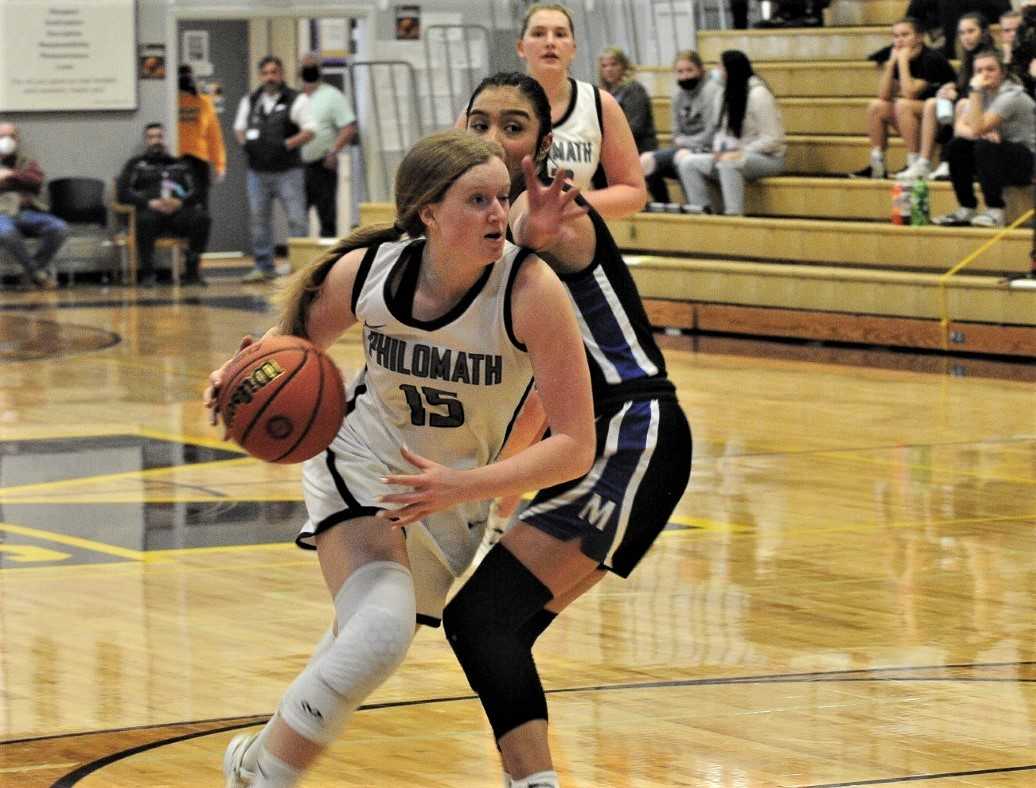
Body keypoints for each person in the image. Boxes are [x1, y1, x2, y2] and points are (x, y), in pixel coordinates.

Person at [214, 128, 596, 787]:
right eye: (477, 200)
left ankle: (255, 759)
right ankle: (265, 779)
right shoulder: (367, 271)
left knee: (359, 640)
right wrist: (230, 378)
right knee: (383, 630)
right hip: (363, 468)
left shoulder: (531, 292)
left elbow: (574, 447)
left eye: (502, 199)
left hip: (450, 497)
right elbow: (286, 348)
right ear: (428, 212)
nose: (498, 215)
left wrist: (464, 486)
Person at [452, 71, 693, 788]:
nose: (493, 140)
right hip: (597, 437)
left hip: (632, 433)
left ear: (543, 144)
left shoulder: (550, 215)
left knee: (484, 621)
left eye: (513, 126)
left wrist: (531, 237)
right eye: (479, 123)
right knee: (495, 628)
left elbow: (530, 235)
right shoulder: (489, 221)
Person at [516, 3, 647, 218]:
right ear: (521, 47)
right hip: (507, 244)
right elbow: (455, 180)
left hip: (574, 242)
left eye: (560, 34)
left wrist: (571, 201)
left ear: (573, 48)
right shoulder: (492, 101)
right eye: (539, 33)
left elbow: (634, 193)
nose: (550, 42)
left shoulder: (600, 104)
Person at [234, 55, 317, 283]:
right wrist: (248, 146)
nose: (270, 77)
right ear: (260, 76)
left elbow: (310, 130)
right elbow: (239, 129)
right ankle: (263, 266)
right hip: (257, 172)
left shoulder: (296, 99)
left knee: (297, 219)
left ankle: (300, 270)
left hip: (288, 170)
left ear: (282, 74)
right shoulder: (250, 100)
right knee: (259, 219)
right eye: (266, 73)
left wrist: (286, 145)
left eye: (274, 72)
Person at [675, 50, 786, 216]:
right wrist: (720, 149)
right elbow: (722, 132)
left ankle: (733, 216)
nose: (716, 71)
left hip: (768, 158)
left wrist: (738, 150)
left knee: (728, 160)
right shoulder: (724, 93)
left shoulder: (758, 94)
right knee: (688, 163)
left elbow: (773, 139)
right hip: (735, 154)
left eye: (720, 66)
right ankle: (704, 213)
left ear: (731, 69)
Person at [933, 48, 1036, 228]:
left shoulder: (1011, 96)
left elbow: (976, 127)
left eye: (990, 69)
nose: (984, 75)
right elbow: (959, 128)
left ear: (1003, 72)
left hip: (1029, 161)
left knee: (984, 145)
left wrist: (974, 92)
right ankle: (967, 207)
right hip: (1000, 156)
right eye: (979, 71)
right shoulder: (982, 95)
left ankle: (995, 211)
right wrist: (977, 131)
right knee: (958, 145)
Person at [850, 17, 956, 179]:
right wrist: (891, 64)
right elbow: (884, 95)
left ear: (919, 37)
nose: (899, 40)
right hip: (919, 120)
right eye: (896, 36)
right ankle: (877, 164)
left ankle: (915, 163)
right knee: (876, 106)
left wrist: (901, 62)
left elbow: (910, 93)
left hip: (943, 121)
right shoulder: (901, 59)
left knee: (903, 104)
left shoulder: (931, 59)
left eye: (905, 35)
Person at [897, 12, 995, 181]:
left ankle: (948, 159)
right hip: (968, 106)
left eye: (971, 31)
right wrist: (952, 87)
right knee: (933, 103)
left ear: (984, 32)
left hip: (987, 111)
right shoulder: (968, 56)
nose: (966, 37)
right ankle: (924, 162)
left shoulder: (988, 57)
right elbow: (966, 86)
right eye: (962, 33)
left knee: (956, 103)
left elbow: (983, 92)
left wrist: (955, 95)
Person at [117, 123, 212, 286]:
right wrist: (149, 202)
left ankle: (192, 271)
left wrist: (180, 202)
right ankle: (148, 274)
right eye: (152, 137)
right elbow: (123, 193)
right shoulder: (136, 165)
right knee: (144, 220)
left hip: (178, 212)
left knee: (202, 218)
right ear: (146, 141)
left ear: (166, 139)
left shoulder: (181, 164)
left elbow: (196, 192)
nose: (156, 141)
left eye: (159, 136)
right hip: (151, 211)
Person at [641, 49, 722, 207]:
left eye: (689, 70)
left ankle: (700, 208)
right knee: (645, 161)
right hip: (685, 147)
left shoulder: (711, 91)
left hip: (709, 149)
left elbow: (711, 133)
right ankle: (663, 206)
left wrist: (685, 143)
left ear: (700, 70)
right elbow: (675, 133)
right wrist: (683, 143)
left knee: (682, 158)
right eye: (680, 72)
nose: (685, 76)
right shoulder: (677, 96)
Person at [0, 121, 66, 290]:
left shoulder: (27, 160)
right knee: (6, 233)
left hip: (27, 212)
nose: (7, 140)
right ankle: (37, 274)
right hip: (2, 213)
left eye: (11, 136)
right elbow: (27, 182)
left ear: (17, 138)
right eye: (2, 136)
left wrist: (9, 177)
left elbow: (35, 180)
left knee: (59, 228)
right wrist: (19, 183)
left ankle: (32, 272)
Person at [299, 53, 358, 238]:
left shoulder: (332, 95)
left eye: (312, 66)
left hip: (323, 163)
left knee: (326, 213)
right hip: (296, 167)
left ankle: (327, 262)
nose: (309, 70)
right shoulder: (295, 97)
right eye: (305, 66)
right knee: (297, 215)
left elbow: (349, 128)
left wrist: (334, 151)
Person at [177, 64, 226, 211]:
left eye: (188, 76)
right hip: (174, 160)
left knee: (200, 209)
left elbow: (214, 137)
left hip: (198, 163)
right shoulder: (168, 102)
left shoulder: (204, 103)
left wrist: (220, 164)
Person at [597, 47, 657, 155]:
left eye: (614, 64)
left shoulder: (634, 89)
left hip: (637, 149)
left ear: (623, 66)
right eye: (604, 66)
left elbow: (635, 128)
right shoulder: (601, 93)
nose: (609, 69)